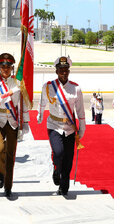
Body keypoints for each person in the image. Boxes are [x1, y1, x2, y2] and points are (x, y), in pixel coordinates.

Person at [37, 56, 86, 196]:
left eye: (66, 70)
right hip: (54, 125)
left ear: (68, 71)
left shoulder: (75, 89)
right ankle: (56, 168)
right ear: (56, 71)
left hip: (70, 128)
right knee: (58, 153)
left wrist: (82, 129)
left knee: (69, 160)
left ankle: (64, 187)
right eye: (61, 70)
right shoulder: (48, 86)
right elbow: (42, 103)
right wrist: (39, 115)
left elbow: (81, 111)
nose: (64, 72)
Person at [0, 53, 30, 198]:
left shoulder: (18, 83)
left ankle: (8, 186)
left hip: (12, 121)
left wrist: (25, 122)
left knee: (11, 155)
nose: (5, 69)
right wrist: (10, 93)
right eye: (3, 66)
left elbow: (22, 104)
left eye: (8, 67)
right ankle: (0, 170)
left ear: (12, 68)